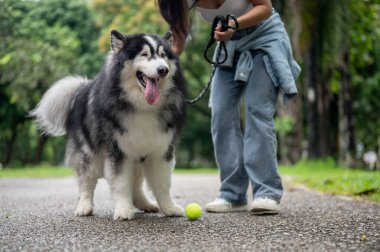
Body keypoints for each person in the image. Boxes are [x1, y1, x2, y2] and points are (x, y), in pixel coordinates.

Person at [157, 0, 300, 214]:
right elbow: (178, 42)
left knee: (257, 111)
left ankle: (266, 193)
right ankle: (233, 195)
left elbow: (265, 8)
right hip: (229, 46)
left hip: (265, 38)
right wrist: (161, 70)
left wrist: (234, 24)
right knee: (221, 114)